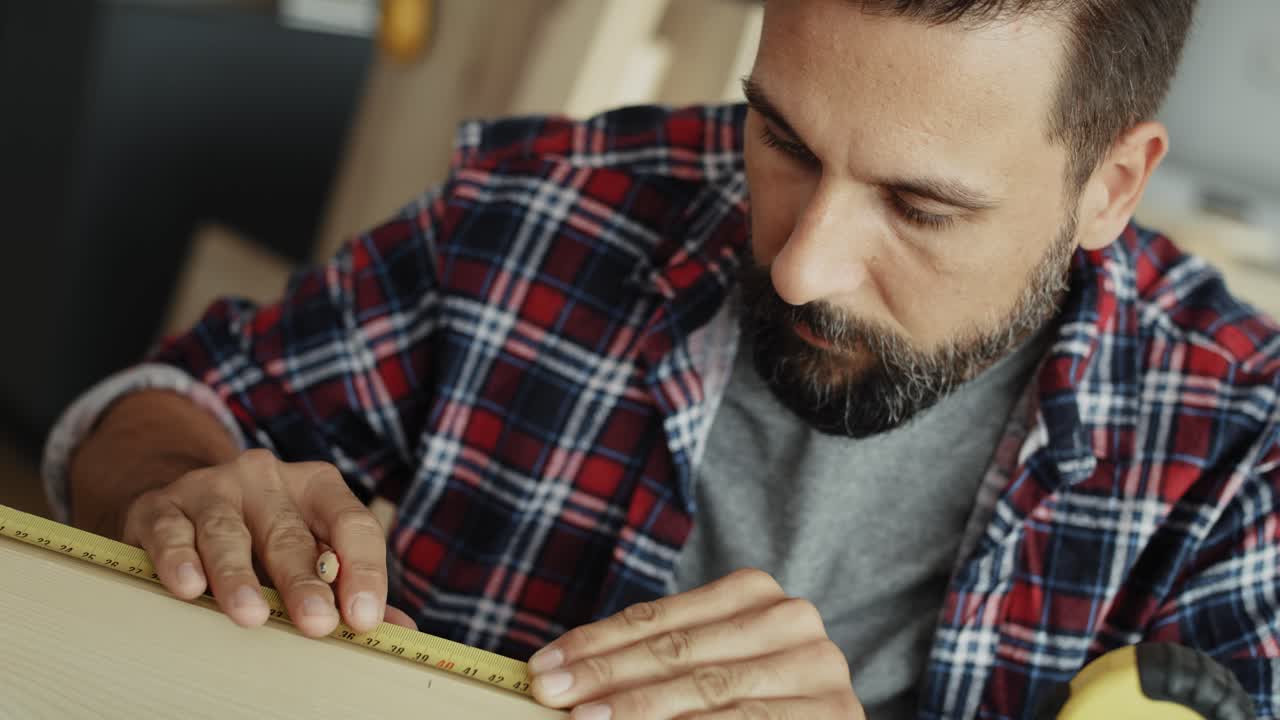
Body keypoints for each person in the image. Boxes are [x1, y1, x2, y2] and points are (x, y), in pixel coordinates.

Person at [43, 0, 1279, 718]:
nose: (799, 263)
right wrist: (178, 490)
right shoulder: (552, 209)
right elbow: (159, 409)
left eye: (918, 206)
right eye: (781, 138)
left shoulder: (1237, 459)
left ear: (1109, 185)